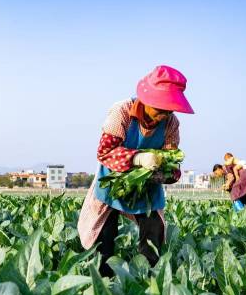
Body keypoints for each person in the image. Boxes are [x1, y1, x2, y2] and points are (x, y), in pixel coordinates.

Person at [78, 65, 194, 277]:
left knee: (154, 235)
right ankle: (104, 283)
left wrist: (163, 169)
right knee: (104, 238)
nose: (163, 116)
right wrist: (137, 158)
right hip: (113, 185)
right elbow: (104, 152)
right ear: (147, 100)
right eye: (160, 110)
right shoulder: (121, 111)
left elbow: (173, 167)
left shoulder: (171, 124)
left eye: (169, 111)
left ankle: (148, 282)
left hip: (147, 189)